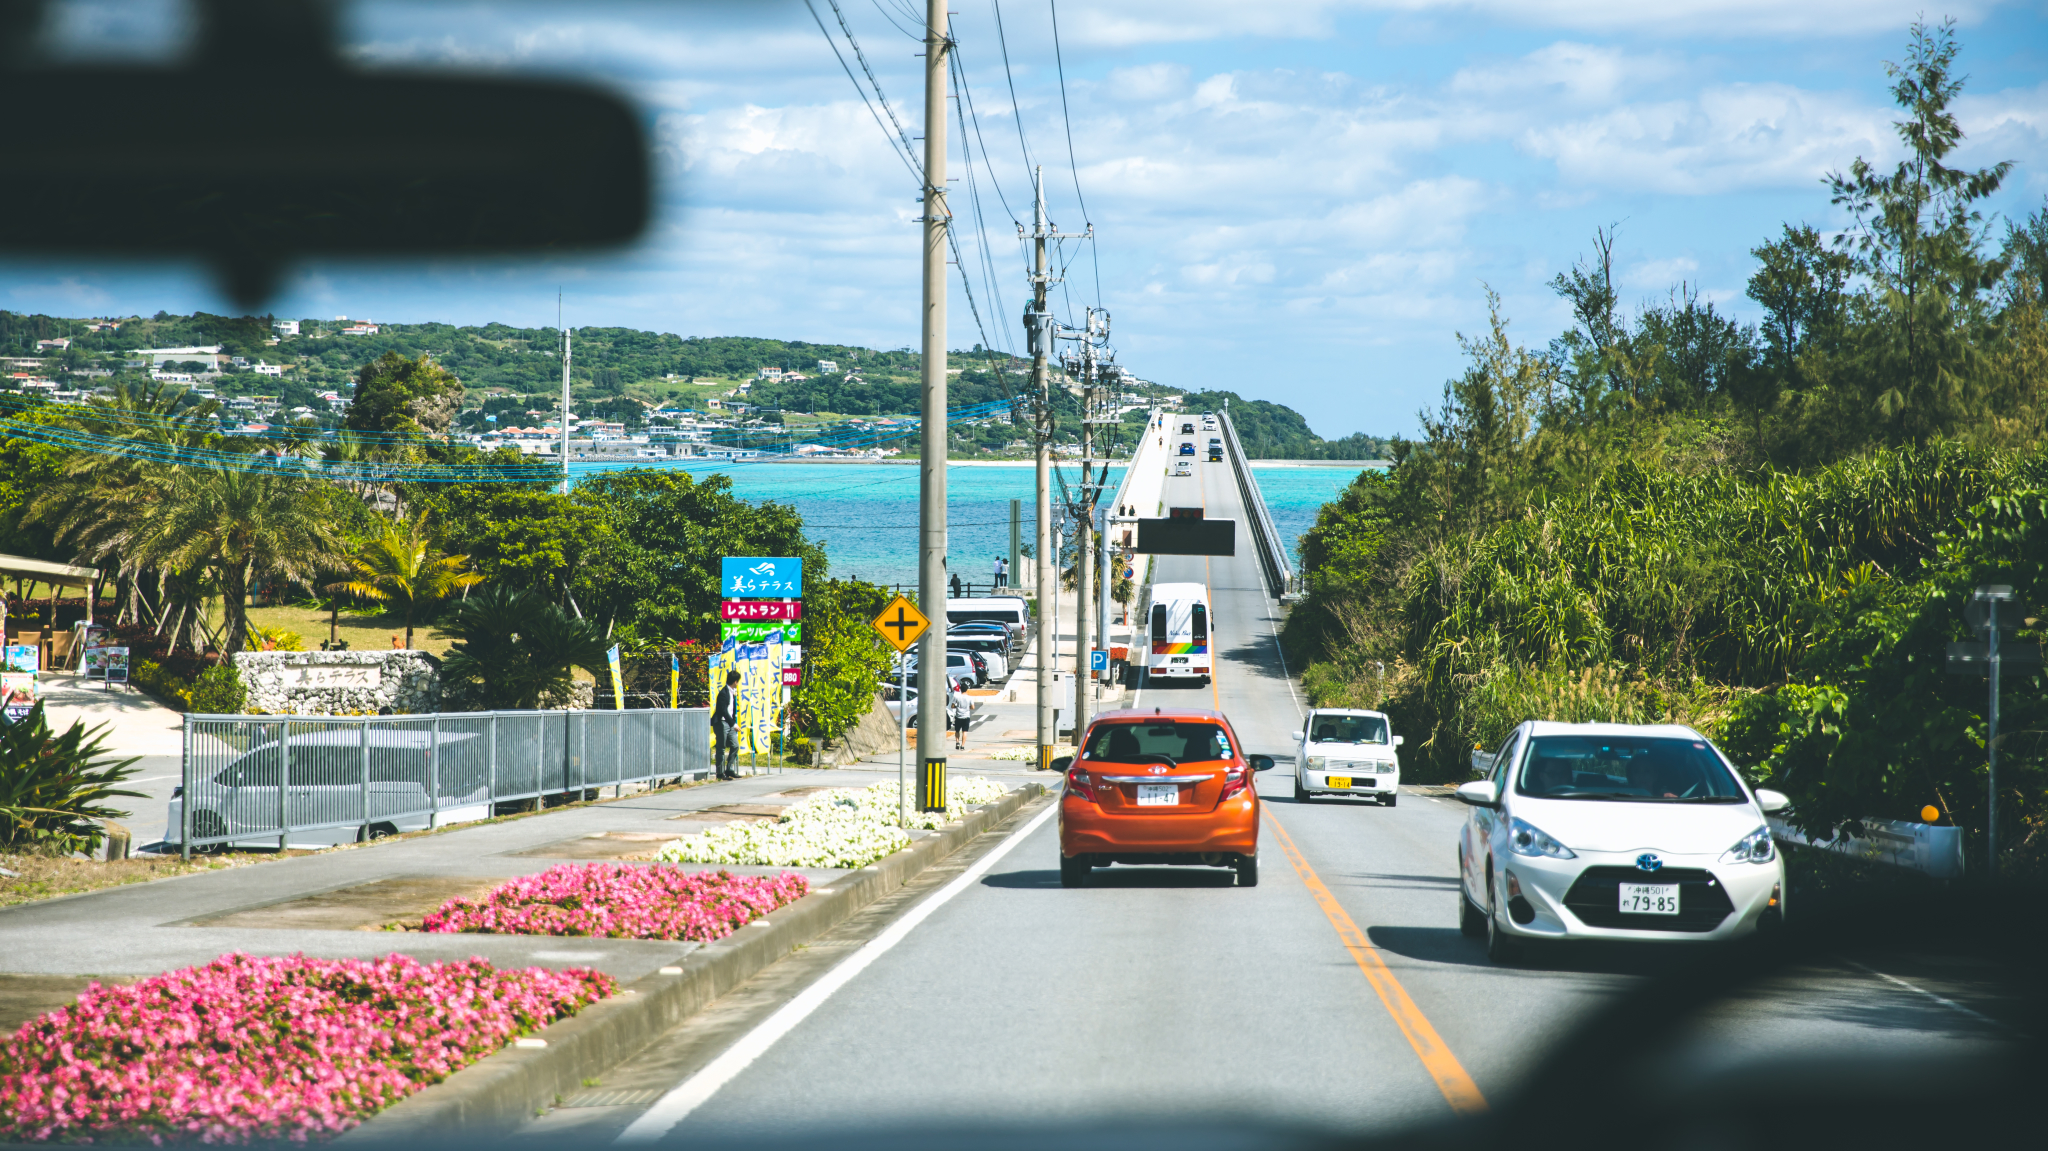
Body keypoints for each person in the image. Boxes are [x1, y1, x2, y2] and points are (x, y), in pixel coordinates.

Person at [713, 669, 741, 779]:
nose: (738, 683)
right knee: (721, 748)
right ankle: (720, 773)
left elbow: (731, 711)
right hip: (721, 723)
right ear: (735, 681)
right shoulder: (723, 693)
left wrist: (733, 723)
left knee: (735, 745)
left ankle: (729, 769)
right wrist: (734, 724)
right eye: (737, 681)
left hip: (729, 723)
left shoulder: (732, 692)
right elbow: (723, 711)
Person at [947, 680, 972, 751]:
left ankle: (957, 742)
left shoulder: (957, 697)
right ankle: (963, 745)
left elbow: (952, 706)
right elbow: (972, 707)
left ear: (960, 689)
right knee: (965, 731)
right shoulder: (969, 698)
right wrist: (968, 708)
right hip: (966, 716)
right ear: (967, 689)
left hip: (958, 716)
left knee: (957, 730)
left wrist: (957, 707)